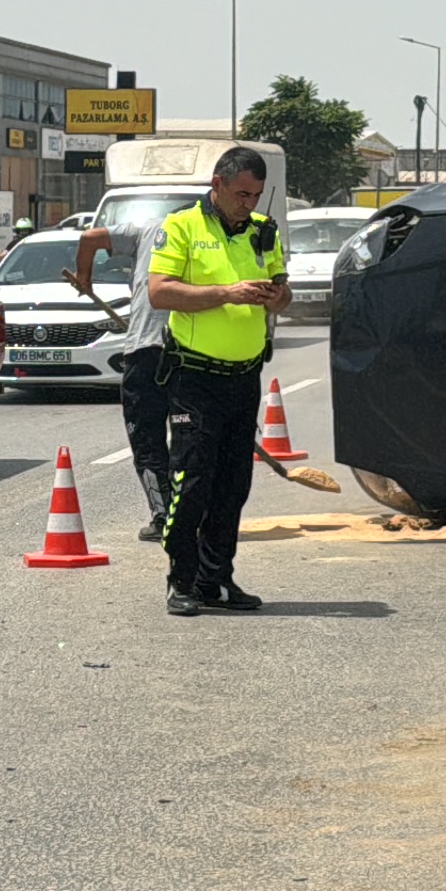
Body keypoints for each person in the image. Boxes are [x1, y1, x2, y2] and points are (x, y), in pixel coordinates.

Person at [145, 147, 288, 616]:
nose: (249, 204)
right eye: (242, 194)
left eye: (257, 196)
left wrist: (276, 295)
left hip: (244, 377)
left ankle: (215, 580)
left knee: (233, 485)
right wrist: (227, 293)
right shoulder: (182, 226)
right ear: (218, 184)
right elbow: (160, 292)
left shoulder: (264, 233)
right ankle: (180, 579)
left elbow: (282, 295)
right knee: (192, 480)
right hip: (194, 376)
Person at [71, 213, 176, 541]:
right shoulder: (212, 237)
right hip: (195, 352)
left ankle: (163, 517)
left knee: (147, 438)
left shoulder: (151, 226)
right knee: (197, 438)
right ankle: (194, 512)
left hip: (147, 349)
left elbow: (89, 238)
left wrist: (84, 278)